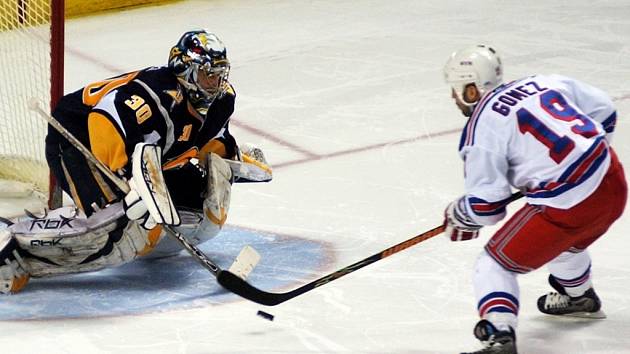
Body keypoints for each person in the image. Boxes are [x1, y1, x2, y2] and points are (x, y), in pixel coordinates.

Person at [0, 29, 271, 294]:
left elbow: (207, 139)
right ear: (185, 69)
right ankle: (15, 250)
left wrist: (233, 158)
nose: (214, 83)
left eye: (218, 75)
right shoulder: (156, 94)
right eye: (206, 74)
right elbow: (104, 119)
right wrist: (129, 184)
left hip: (144, 153)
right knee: (115, 221)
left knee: (190, 197)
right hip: (78, 139)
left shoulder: (222, 100)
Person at [441, 44, 626, 354]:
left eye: (457, 88)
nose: (453, 96)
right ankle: (579, 297)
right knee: (563, 244)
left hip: (569, 207)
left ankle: (499, 336)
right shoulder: (543, 82)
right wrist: (580, 161)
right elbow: (605, 110)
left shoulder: (481, 129)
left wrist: (460, 214)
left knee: (493, 264)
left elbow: (486, 207)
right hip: (613, 183)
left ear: (472, 89)